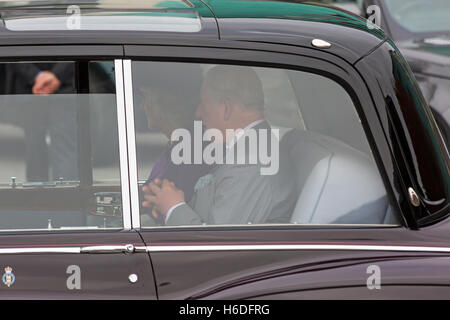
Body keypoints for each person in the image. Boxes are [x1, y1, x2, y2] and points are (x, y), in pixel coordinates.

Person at [143, 65, 296, 226]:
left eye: (204, 103)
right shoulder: (247, 148)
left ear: (226, 108)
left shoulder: (251, 162)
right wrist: (166, 202)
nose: (198, 113)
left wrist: (174, 208)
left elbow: (217, 242)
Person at [137, 62, 211, 225]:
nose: (142, 106)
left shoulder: (193, 151)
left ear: (164, 102)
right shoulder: (180, 144)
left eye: (146, 97)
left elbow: (179, 209)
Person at [4, 63, 78, 181]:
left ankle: (55, 194)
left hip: (36, 87)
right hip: (53, 86)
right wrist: (53, 76)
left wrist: (38, 76)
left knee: (39, 147)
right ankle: (65, 195)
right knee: (39, 147)